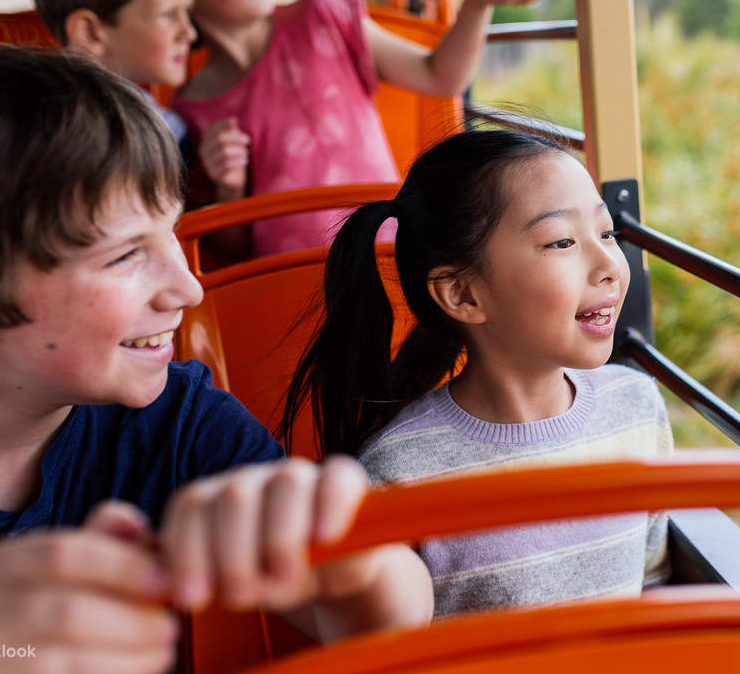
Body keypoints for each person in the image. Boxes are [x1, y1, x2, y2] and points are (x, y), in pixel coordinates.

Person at [0, 45, 432, 672]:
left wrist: (350, 560)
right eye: (125, 255)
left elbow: (398, 613)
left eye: (172, 234)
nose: (188, 288)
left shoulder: (179, 420)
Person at [283, 128, 673, 617]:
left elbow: (652, 588)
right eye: (561, 242)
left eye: (607, 232)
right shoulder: (397, 475)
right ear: (463, 295)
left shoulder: (636, 407)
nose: (609, 264)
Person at [133, 0, 567, 257]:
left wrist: (478, 2)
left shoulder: (325, 18)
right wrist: (230, 187)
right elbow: (229, 247)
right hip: (284, 286)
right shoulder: (192, 107)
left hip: (388, 253)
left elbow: (441, 76)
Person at [22, 0, 196, 152]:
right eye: (167, 15)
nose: (189, 33)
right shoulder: (154, 136)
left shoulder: (166, 126)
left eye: (187, 11)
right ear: (89, 32)